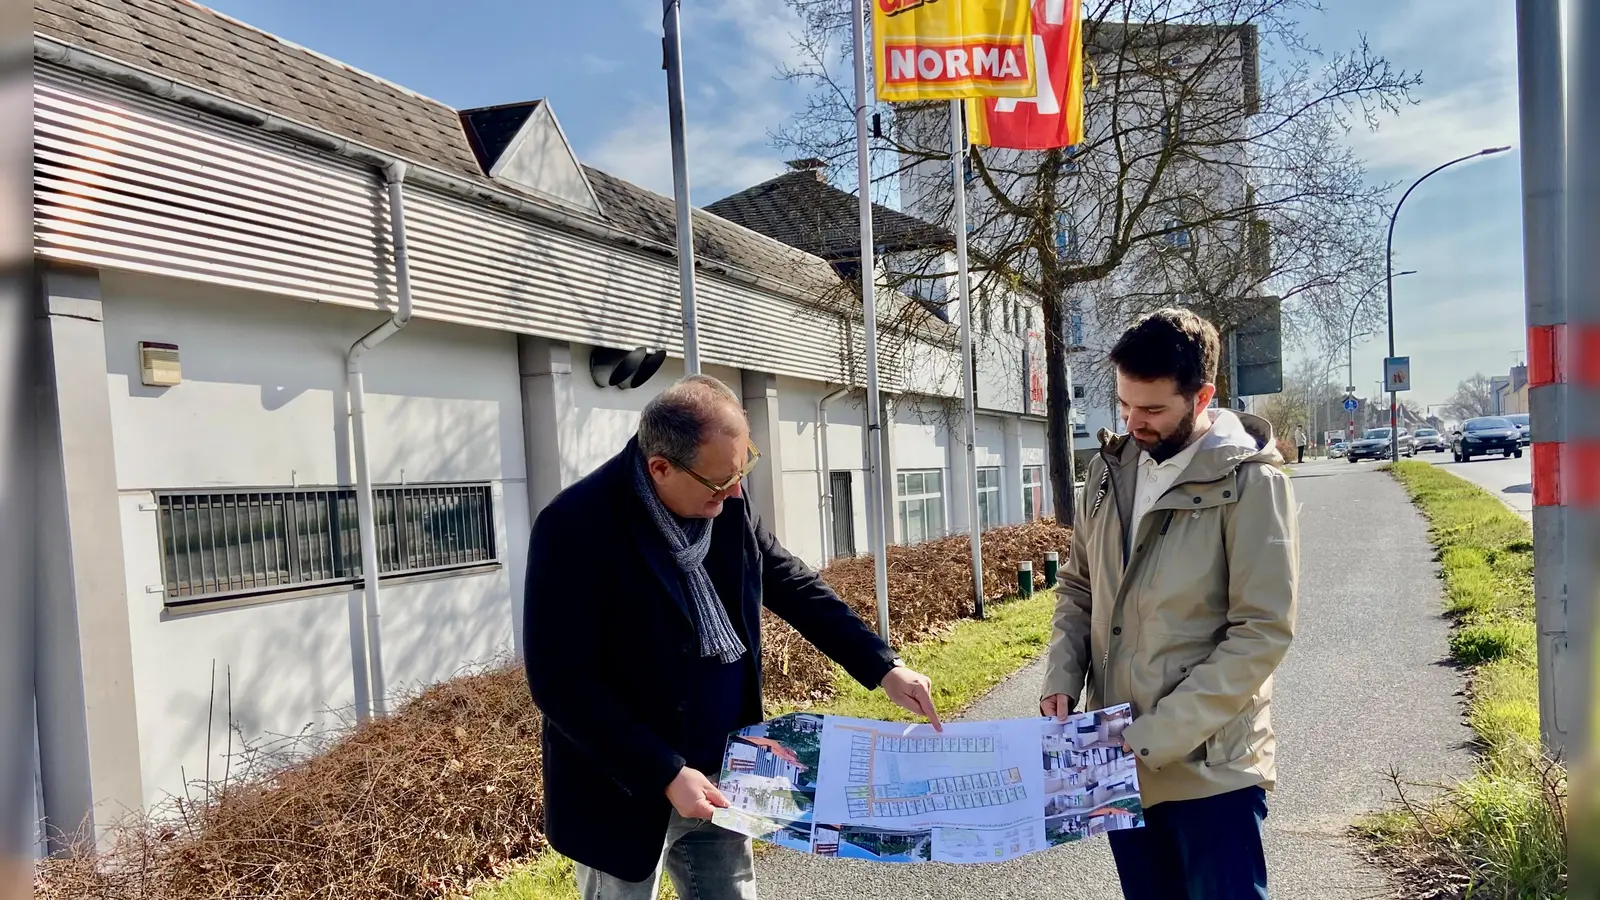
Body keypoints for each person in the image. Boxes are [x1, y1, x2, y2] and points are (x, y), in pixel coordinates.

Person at [523, 374, 941, 900]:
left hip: (725, 770)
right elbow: (561, 684)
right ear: (660, 467)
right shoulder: (574, 527)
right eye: (721, 483)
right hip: (625, 788)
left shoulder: (721, 500)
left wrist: (882, 665)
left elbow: (790, 584)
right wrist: (667, 773)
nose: (736, 492)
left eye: (742, 470)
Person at [1040, 309, 1298, 900]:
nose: (1134, 423)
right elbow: (1079, 587)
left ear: (1202, 395)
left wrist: (1156, 733)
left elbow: (1262, 633)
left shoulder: (1254, 484)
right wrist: (1061, 680)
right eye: (1125, 405)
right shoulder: (1106, 473)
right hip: (1121, 763)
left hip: (1211, 772)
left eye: (1153, 409)